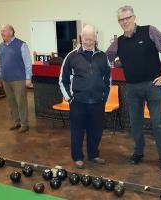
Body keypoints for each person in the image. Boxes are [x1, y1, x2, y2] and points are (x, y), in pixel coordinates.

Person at [106, 6, 161, 171]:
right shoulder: (118, 42)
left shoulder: (149, 31)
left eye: (127, 18)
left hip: (153, 86)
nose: (125, 22)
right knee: (135, 123)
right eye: (121, 20)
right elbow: (105, 58)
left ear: (134, 17)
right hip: (132, 88)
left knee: (158, 123)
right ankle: (138, 152)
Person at [59, 25, 111, 169]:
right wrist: (70, 99)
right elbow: (63, 80)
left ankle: (93, 154)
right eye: (86, 39)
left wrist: (104, 97)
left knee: (96, 131)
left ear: (95, 38)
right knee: (77, 131)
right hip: (78, 102)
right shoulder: (72, 56)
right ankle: (78, 157)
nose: (89, 42)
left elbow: (108, 79)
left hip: (97, 102)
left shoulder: (102, 56)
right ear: (81, 38)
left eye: (91, 39)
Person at [0, 24, 32, 133]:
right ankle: (17, 122)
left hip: (19, 79)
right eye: (1, 31)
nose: (2, 33)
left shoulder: (21, 45)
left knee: (21, 103)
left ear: (11, 32)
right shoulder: (0, 47)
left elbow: (28, 63)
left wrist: (28, 78)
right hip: (6, 79)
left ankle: (24, 124)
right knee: (11, 103)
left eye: (4, 31)